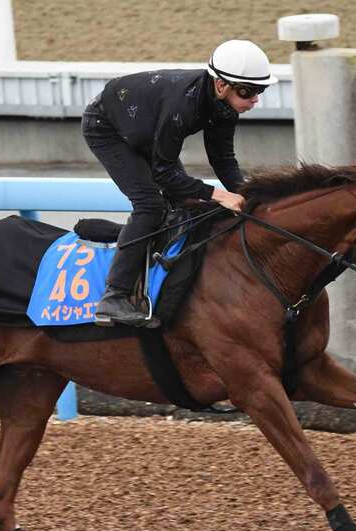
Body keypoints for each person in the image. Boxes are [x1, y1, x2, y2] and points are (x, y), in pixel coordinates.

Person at [82, 39, 278, 327]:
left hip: (146, 128)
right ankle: (114, 297)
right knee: (150, 205)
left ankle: (163, 274)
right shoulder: (183, 105)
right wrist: (219, 195)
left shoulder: (224, 106)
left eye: (260, 91)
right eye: (248, 92)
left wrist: (249, 196)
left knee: (183, 202)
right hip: (107, 127)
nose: (255, 100)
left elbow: (223, 160)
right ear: (221, 85)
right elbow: (163, 173)